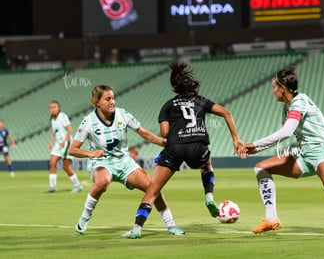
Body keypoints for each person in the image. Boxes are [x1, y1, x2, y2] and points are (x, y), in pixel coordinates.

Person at [237, 66, 324, 238]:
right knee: (261, 168)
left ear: (282, 88)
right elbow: (284, 134)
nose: (273, 90)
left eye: (274, 87)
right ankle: (271, 218)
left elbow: (286, 132)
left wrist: (254, 144)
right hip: (304, 155)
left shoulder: (299, 102)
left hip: (323, 150)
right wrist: (255, 149)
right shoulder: (287, 106)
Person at [122, 62, 244, 239]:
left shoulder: (168, 105)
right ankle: (209, 196)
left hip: (175, 148)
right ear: (192, 88)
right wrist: (235, 139)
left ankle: (136, 229)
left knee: (153, 190)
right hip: (198, 146)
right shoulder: (201, 100)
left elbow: (164, 132)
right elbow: (226, 113)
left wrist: (178, 129)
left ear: (175, 87)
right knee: (207, 166)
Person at [69, 85, 184, 237]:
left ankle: (171, 225)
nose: (112, 102)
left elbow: (144, 134)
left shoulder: (123, 114)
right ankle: (85, 217)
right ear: (97, 102)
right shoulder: (88, 122)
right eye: (107, 99)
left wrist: (166, 143)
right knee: (102, 181)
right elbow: (73, 149)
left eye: (113, 98)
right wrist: (91, 153)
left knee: (153, 187)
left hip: (124, 162)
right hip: (101, 162)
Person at [47, 100, 82, 193]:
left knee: (65, 166)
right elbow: (55, 133)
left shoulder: (63, 116)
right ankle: (52, 187)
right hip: (58, 144)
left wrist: (64, 141)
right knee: (52, 163)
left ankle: (77, 186)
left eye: (54, 107)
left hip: (66, 144)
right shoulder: (53, 120)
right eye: (50, 107)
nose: (52, 109)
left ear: (58, 108)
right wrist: (51, 143)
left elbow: (69, 130)